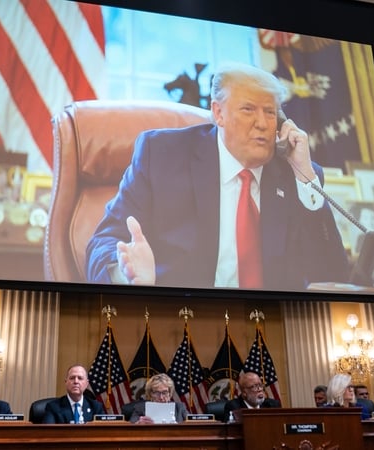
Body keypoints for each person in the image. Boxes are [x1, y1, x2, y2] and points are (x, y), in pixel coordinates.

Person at [85, 62, 348, 290]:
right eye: (248, 109)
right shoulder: (163, 156)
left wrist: (305, 180)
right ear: (218, 113)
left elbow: (333, 274)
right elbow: (103, 241)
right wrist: (125, 274)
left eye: (269, 112)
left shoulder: (294, 173)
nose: (262, 123)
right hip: (181, 315)